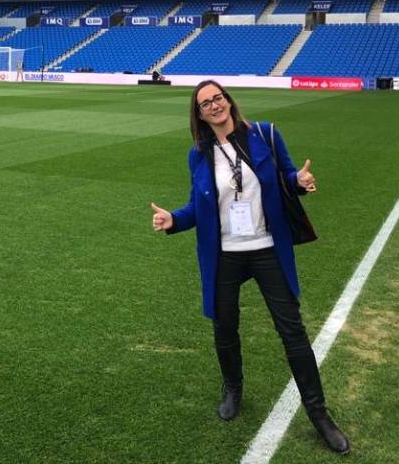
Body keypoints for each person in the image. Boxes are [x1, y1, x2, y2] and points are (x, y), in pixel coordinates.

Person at [150, 80, 350, 455]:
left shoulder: (265, 134)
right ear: (199, 114)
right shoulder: (199, 154)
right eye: (205, 103)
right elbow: (199, 206)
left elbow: (287, 177)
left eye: (217, 98)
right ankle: (233, 389)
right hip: (224, 253)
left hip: (266, 249)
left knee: (292, 331)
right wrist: (174, 220)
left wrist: (300, 182)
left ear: (228, 101)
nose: (214, 106)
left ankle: (319, 414)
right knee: (225, 328)